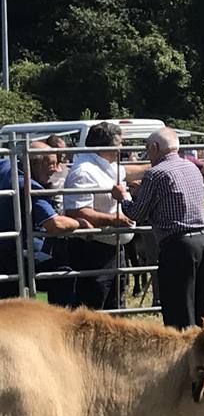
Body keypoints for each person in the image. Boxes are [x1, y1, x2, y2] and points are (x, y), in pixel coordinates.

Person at [113, 128, 204, 328]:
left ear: (156, 147)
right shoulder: (191, 168)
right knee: (201, 308)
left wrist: (123, 197)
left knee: (178, 312)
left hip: (178, 246)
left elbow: (136, 213)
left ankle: (183, 357)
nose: (146, 154)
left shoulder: (155, 174)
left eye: (147, 148)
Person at [0, 141, 86, 301]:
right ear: (34, 163)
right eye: (51, 163)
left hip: (6, 248)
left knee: (7, 302)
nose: (56, 168)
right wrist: (79, 223)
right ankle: (56, 320)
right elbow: (55, 224)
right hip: (14, 254)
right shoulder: (28, 186)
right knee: (62, 275)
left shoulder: (6, 167)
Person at [63, 122, 134, 310]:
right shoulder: (84, 171)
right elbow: (76, 211)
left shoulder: (109, 166)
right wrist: (113, 220)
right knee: (93, 303)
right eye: (119, 144)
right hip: (94, 248)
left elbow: (131, 172)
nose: (122, 149)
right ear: (105, 145)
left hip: (113, 246)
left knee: (115, 301)